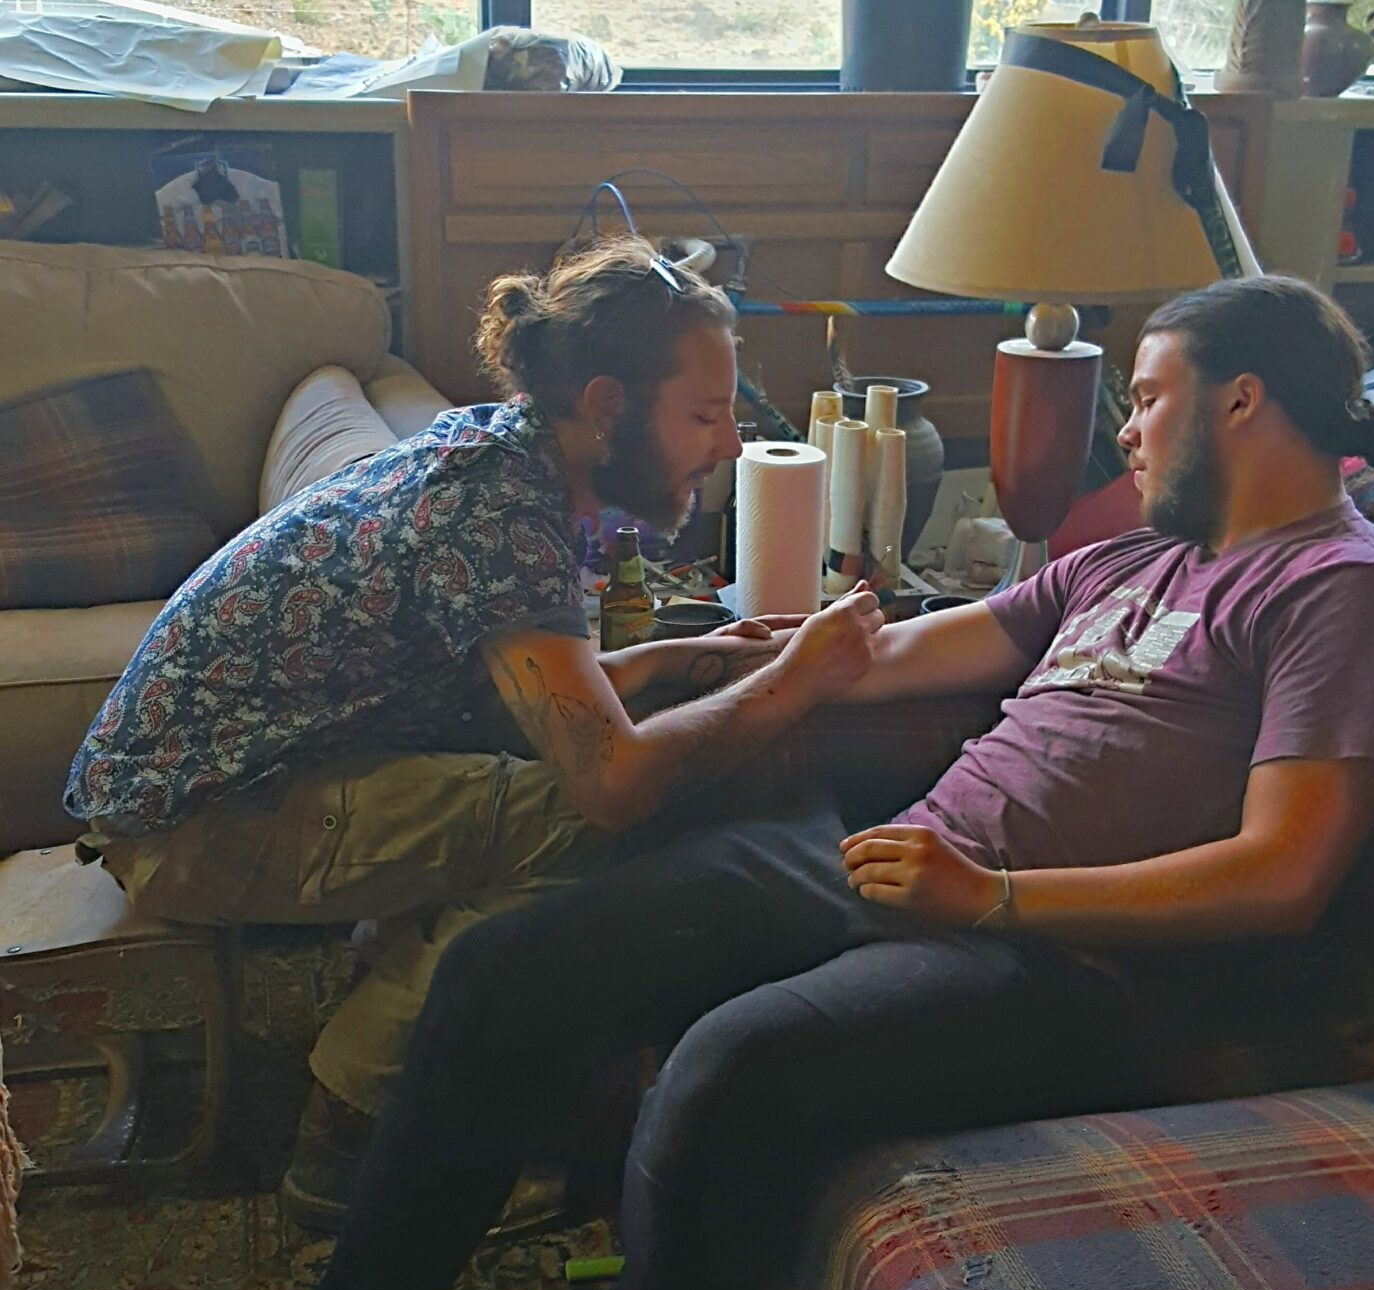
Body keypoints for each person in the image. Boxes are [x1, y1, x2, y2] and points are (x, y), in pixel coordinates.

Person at [51, 274, 1374, 1290]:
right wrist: (764, 658)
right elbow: (893, 657)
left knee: (732, 1062)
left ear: (1244, 401)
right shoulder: (1130, 556)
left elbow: (1285, 876)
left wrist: (994, 899)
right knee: (510, 967)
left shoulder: (1344, 594)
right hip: (900, 860)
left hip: (1064, 953)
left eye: (1146, 397)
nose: (1125, 429)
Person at [62, 238, 881, 1230]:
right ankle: (350, 1133)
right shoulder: (500, 518)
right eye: (705, 416)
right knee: (596, 824)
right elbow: (611, 782)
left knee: (556, 778)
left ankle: (412, 1004)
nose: (731, 444)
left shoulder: (503, 453)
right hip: (193, 824)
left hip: (200, 783)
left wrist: (683, 659)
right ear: (608, 404)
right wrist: (795, 680)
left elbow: (527, 687)